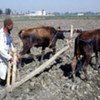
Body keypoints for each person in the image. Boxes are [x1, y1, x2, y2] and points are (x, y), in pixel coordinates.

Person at [0, 18, 15, 86]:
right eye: (11, 25)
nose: (12, 27)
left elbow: (10, 43)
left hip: (7, 55)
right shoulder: (1, 34)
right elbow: (1, 50)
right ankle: (2, 85)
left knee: (5, 71)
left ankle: (4, 83)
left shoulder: (7, 33)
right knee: (2, 71)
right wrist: (9, 57)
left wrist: (13, 51)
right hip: (2, 57)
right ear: (7, 26)